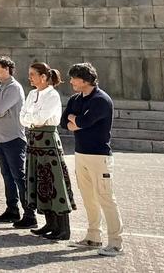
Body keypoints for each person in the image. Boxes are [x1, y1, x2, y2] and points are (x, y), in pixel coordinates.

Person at [62, 62, 123, 257]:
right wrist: (76, 121)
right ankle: (93, 236)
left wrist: (76, 120)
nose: (71, 81)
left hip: (99, 156)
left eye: (74, 78)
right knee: (88, 198)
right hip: (80, 154)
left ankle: (115, 243)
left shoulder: (101, 100)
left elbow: (84, 121)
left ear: (84, 80)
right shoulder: (75, 99)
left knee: (106, 198)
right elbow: (64, 122)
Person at [19, 62, 76, 242]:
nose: (29, 77)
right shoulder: (32, 94)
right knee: (39, 181)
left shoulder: (52, 95)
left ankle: (63, 228)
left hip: (48, 142)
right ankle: (50, 224)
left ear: (43, 77)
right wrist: (32, 120)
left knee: (54, 182)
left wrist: (31, 119)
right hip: (34, 141)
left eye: (32, 74)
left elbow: (40, 118)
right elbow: (22, 117)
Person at [0, 56, 30, 228]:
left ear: (7, 69)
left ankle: (30, 214)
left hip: (14, 139)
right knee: (7, 176)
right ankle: (12, 210)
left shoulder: (14, 88)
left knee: (19, 176)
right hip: (0, 139)